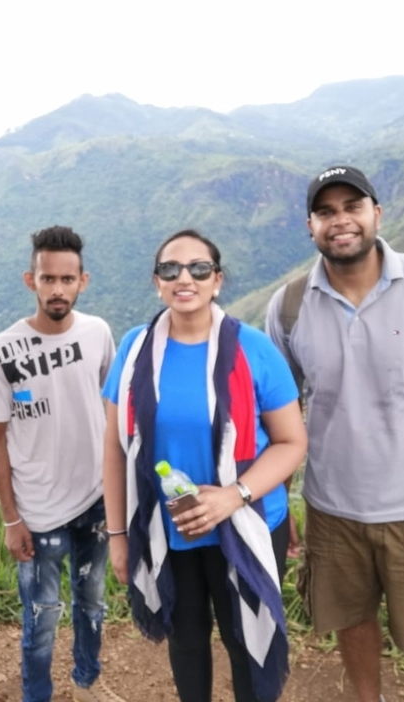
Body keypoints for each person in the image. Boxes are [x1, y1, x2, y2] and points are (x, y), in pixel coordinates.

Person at [265, 165, 404, 702]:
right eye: (326, 211)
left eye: (352, 207)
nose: (340, 221)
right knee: (350, 616)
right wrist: (281, 498)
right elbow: (278, 417)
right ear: (310, 225)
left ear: (376, 214)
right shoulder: (289, 306)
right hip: (333, 506)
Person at [102, 229, 308, 702]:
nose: (184, 278)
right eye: (171, 269)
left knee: (246, 643)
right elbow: (114, 449)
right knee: (187, 637)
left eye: (199, 268)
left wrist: (232, 496)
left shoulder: (253, 350)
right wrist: (117, 536)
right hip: (168, 528)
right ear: (158, 283)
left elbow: (291, 442)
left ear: (217, 280)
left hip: (249, 523)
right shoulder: (134, 351)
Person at [0, 226, 121, 702]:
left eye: (67, 279)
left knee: (92, 601)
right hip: (38, 511)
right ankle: (36, 696)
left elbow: (115, 410)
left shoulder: (98, 333)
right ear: (31, 280)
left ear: (83, 280)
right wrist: (10, 517)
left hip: (97, 500)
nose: (57, 289)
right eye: (48, 279)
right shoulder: (2, 350)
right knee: (41, 617)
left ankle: (86, 682)